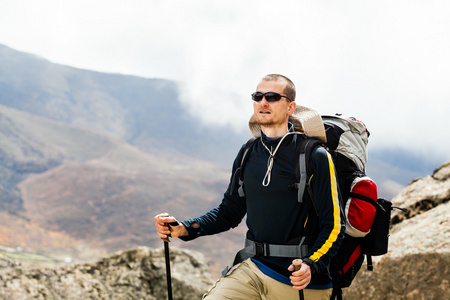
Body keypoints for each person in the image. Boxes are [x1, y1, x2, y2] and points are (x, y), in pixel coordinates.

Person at [154, 74, 345, 300]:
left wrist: (311, 264)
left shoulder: (315, 156)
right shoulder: (248, 153)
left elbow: (334, 225)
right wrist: (185, 228)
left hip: (299, 280)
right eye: (258, 96)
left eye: (272, 97)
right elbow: (229, 212)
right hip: (254, 269)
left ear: (290, 107)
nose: (263, 102)